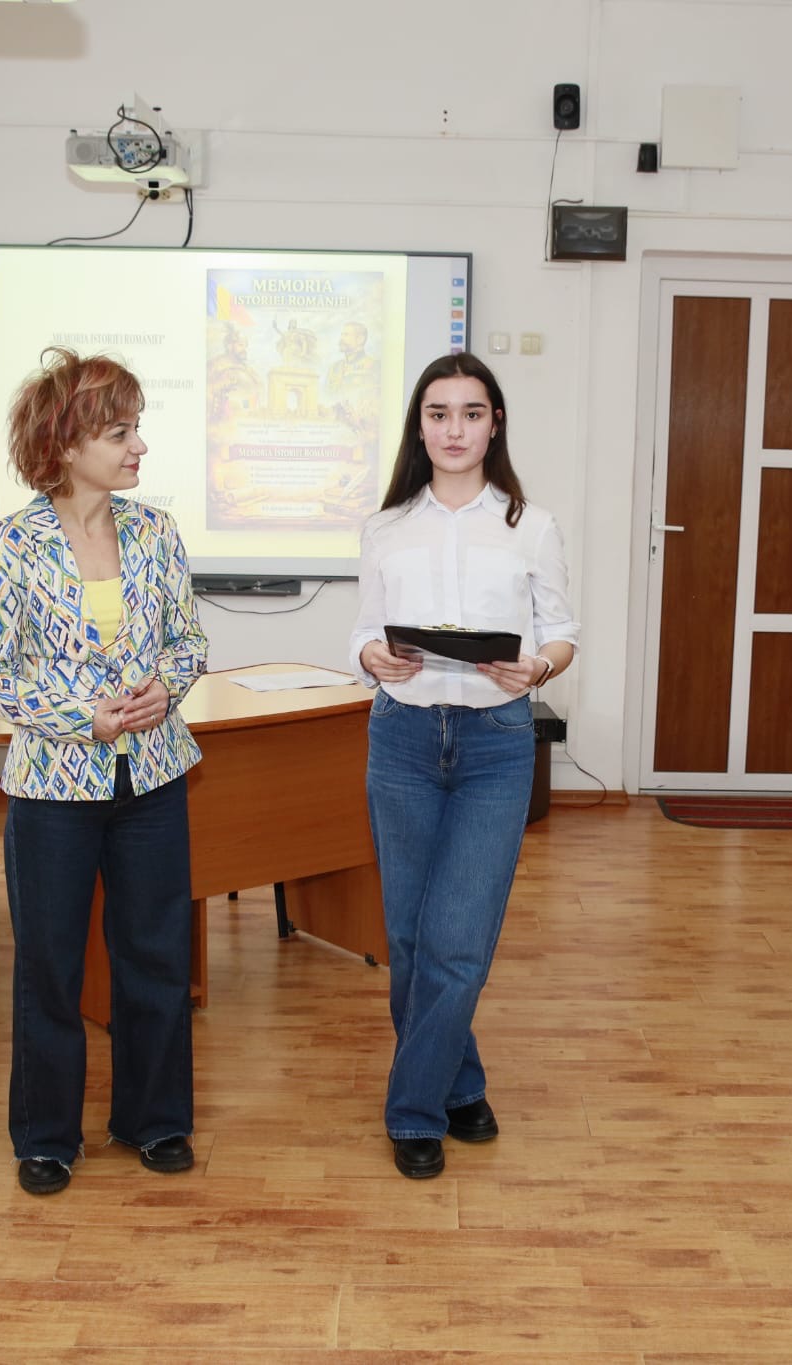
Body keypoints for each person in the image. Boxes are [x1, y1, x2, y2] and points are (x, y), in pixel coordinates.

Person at [0, 347, 208, 1196]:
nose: (139, 446)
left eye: (137, 428)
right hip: (52, 791)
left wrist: (166, 686)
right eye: (119, 432)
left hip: (154, 778)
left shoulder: (156, 532)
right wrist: (83, 717)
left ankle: (155, 1120)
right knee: (49, 968)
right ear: (65, 444)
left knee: (157, 958)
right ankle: (45, 1135)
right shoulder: (9, 546)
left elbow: (188, 641)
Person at [347, 352, 580, 1179]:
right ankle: (460, 1082)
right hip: (402, 739)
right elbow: (364, 629)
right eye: (439, 413)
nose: (455, 429)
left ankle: (412, 1110)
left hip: (494, 745)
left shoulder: (531, 524)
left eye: (471, 413)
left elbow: (562, 630)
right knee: (413, 939)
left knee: (460, 941)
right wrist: (373, 656)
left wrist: (538, 666)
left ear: (494, 424)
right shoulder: (386, 526)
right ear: (420, 426)